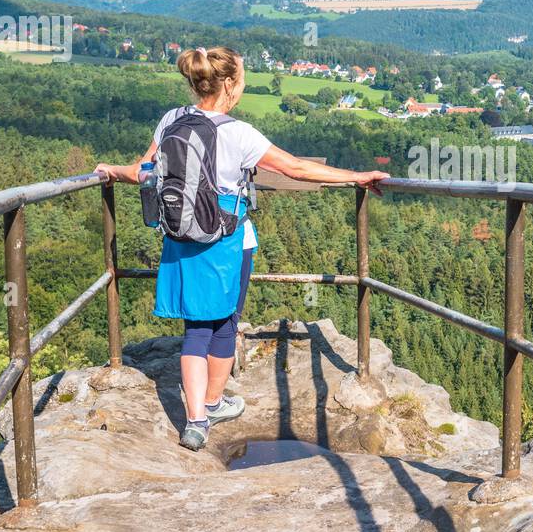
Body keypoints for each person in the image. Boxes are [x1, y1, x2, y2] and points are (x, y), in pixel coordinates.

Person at [94, 46, 388, 450]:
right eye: (243, 77)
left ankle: (194, 421)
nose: (244, 84)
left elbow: (144, 170)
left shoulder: (172, 121)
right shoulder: (238, 134)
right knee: (225, 323)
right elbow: (296, 168)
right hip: (227, 241)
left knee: (194, 329)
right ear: (229, 83)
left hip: (179, 238)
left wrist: (112, 171)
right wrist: (357, 176)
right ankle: (212, 403)